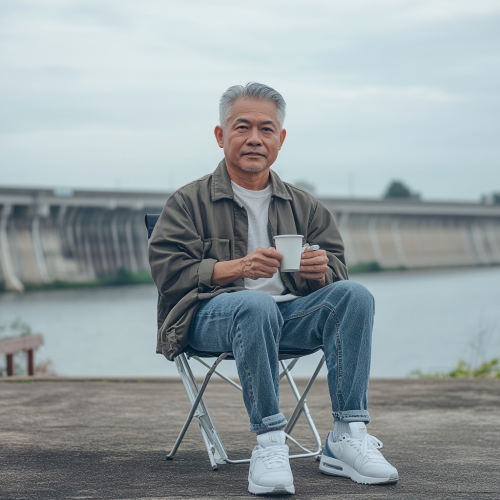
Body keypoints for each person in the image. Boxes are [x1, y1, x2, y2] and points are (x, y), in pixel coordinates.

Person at [148, 82, 398, 495]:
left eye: (266, 129)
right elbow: (168, 273)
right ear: (220, 135)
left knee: (355, 296)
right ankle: (269, 443)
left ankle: (347, 435)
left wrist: (322, 273)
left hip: (287, 317)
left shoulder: (305, 205)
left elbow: (338, 269)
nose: (254, 139)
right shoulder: (187, 201)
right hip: (208, 317)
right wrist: (236, 268)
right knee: (253, 305)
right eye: (241, 127)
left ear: (280, 139)